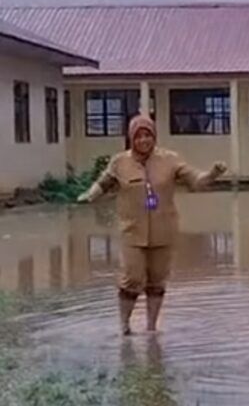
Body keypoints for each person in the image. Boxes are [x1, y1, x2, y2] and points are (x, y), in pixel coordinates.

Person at [78, 115, 226, 335]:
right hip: (132, 231)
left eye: (148, 135)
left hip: (163, 231)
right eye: (139, 136)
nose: (144, 141)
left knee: (157, 279)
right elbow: (105, 181)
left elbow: (196, 180)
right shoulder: (120, 162)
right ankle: (124, 327)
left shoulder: (171, 160)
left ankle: (151, 328)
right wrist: (91, 194)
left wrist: (213, 173)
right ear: (131, 138)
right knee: (133, 277)